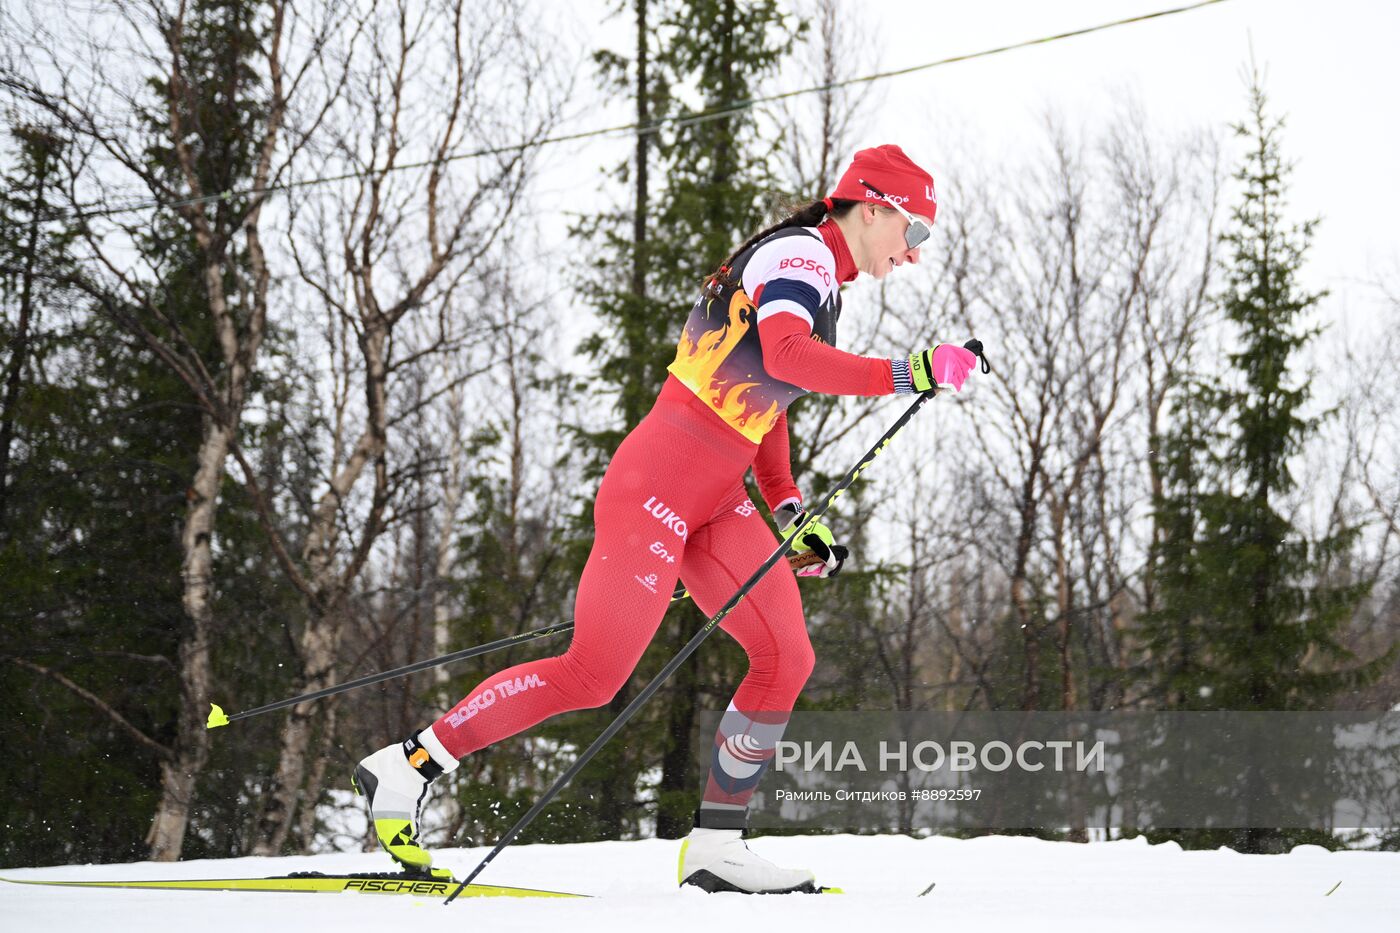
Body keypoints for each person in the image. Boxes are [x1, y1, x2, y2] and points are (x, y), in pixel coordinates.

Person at [352, 144, 981, 894]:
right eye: (915, 232)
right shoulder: (801, 257)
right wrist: (908, 371)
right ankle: (408, 764)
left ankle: (717, 844)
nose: (913, 254)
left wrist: (784, 505)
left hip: (716, 501)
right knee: (591, 674)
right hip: (656, 485)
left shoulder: (820, 281)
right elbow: (786, 353)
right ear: (872, 206)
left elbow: (766, 398)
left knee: (786, 654)